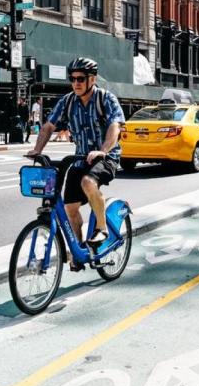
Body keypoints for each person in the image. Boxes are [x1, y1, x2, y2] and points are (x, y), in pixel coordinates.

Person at [26, 57, 125, 270]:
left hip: (106, 157)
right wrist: (37, 151)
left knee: (89, 182)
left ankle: (102, 227)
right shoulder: (68, 101)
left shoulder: (105, 99)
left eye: (81, 78)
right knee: (70, 207)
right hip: (80, 159)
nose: (76, 83)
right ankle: (79, 251)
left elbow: (115, 127)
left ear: (92, 79)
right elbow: (48, 126)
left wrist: (103, 151)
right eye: (72, 79)